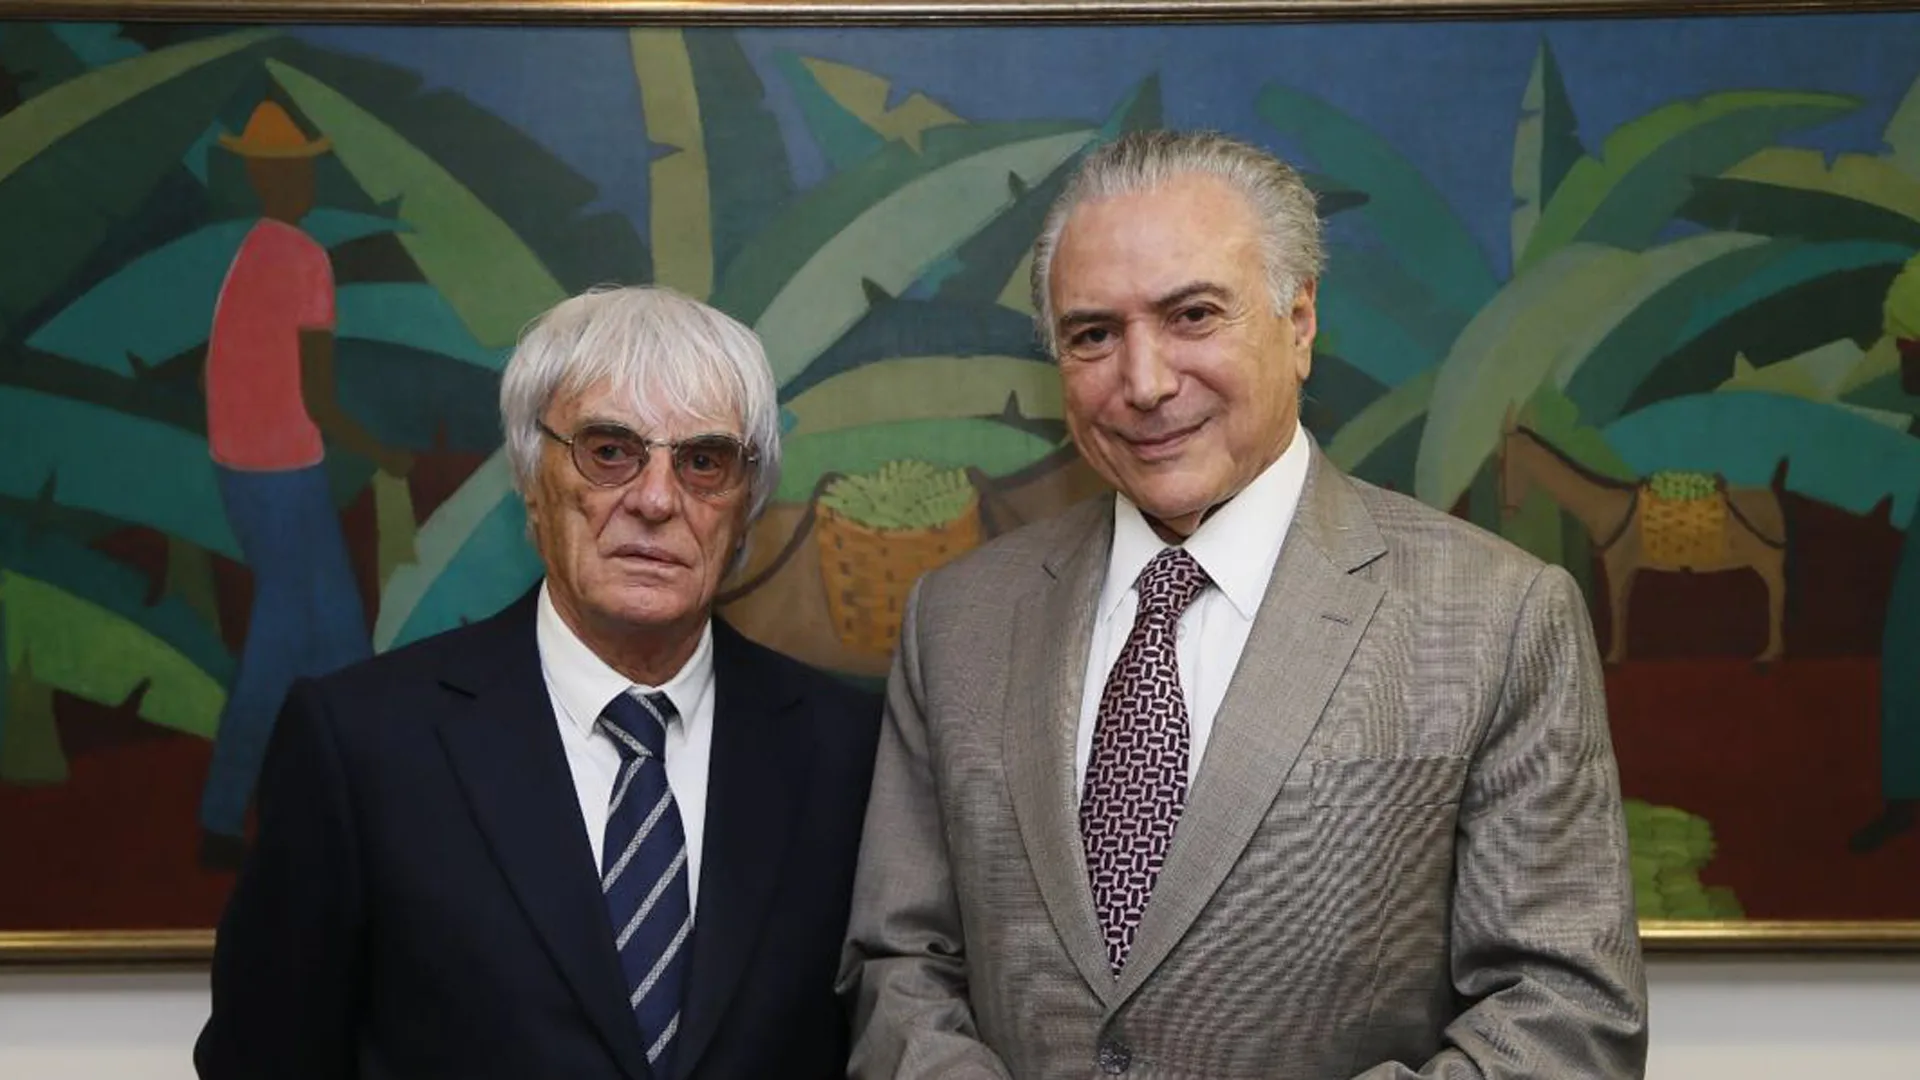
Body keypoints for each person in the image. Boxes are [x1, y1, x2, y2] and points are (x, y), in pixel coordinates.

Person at [841, 130, 1648, 1078]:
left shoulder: (1501, 616)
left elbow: (1563, 1016)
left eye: (1191, 316)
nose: (1143, 384)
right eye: (1094, 334)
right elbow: (901, 964)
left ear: (1299, 323)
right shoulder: (959, 619)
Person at [197, 286, 882, 1080]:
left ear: (744, 506)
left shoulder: (846, 752)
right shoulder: (362, 747)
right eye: (609, 450)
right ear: (532, 479)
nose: (657, 500)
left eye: (703, 461)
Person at [198, 98, 414, 865]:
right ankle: (223, 816)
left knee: (342, 640)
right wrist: (382, 451)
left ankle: (363, 802)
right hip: (283, 471)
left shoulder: (252, 253)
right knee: (284, 637)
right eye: (291, 170)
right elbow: (319, 396)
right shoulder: (301, 260)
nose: (301, 182)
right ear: (271, 178)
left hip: (248, 469)